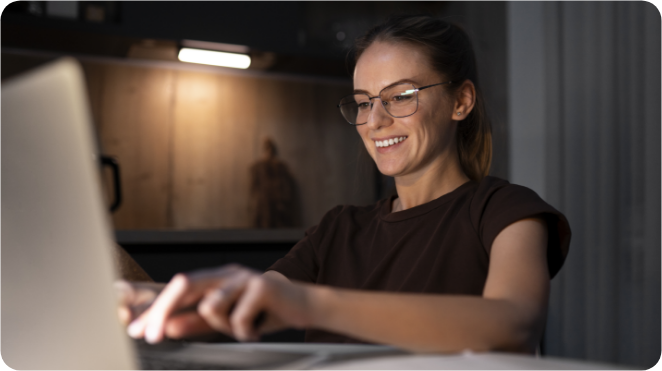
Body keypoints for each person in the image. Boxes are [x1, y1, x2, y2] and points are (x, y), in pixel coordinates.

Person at [120, 15, 570, 354]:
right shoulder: (339, 229)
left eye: (401, 97)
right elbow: (239, 302)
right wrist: (137, 295)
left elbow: (512, 324)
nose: (375, 121)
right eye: (362, 103)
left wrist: (307, 303)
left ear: (461, 101)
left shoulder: (507, 210)